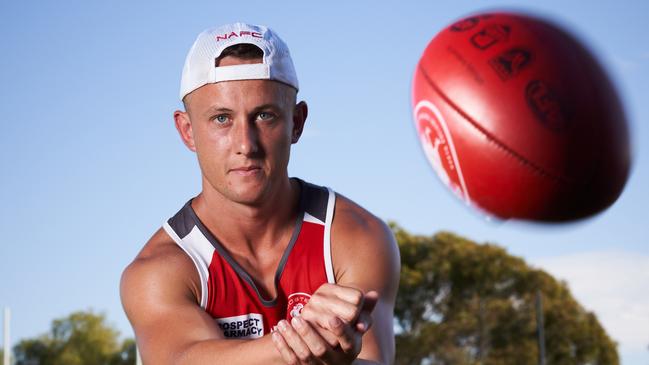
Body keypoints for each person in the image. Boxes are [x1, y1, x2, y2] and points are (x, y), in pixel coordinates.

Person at [120, 22, 400, 364]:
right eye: (221, 119)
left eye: (265, 116)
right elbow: (183, 358)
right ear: (187, 130)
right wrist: (300, 342)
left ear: (296, 122)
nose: (245, 145)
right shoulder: (162, 270)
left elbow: (374, 359)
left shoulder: (354, 236)